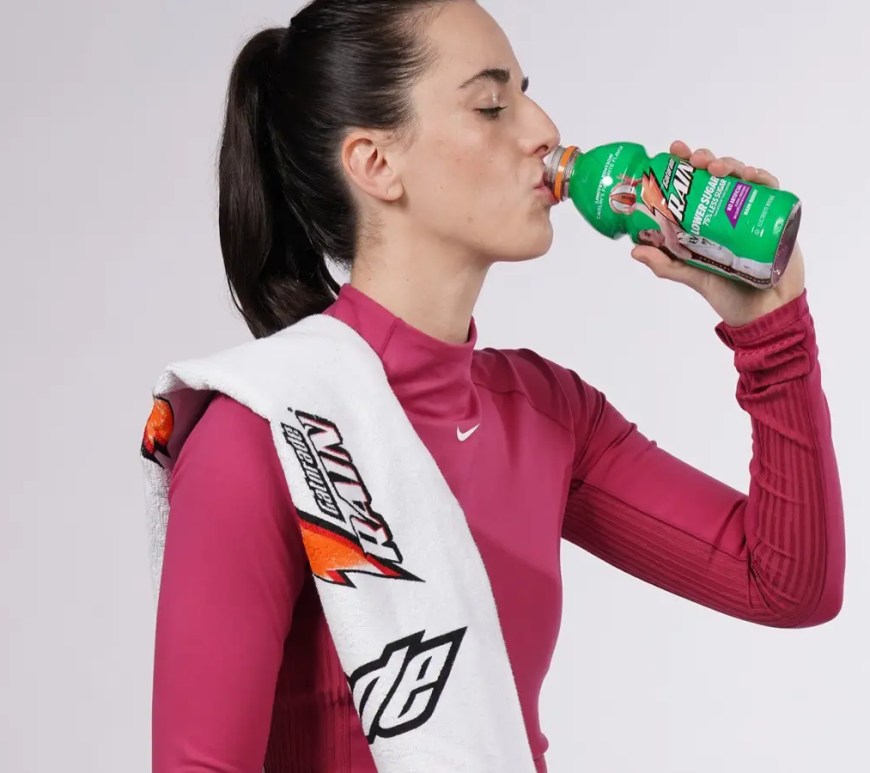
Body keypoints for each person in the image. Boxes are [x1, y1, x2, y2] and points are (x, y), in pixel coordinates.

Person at [149, 0, 845, 771]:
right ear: (376, 164)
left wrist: (769, 323)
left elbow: (787, 583)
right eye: (490, 105)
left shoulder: (547, 414)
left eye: (525, 90)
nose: (543, 128)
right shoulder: (267, 433)